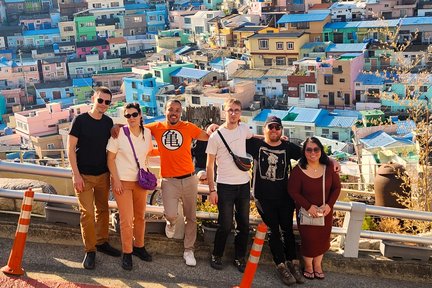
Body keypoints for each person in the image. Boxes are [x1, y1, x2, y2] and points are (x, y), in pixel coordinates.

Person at [145, 99, 210, 267]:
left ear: (181, 112)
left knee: (191, 217)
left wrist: (214, 129)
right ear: (165, 110)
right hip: (169, 181)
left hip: (189, 179)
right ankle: (171, 222)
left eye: (177, 110)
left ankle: (189, 250)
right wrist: (117, 128)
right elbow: (135, 129)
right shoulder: (157, 127)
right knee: (171, 213)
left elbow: (207, 136)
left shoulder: (188, 127)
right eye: (170, 109)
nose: (174, 113)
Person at [246, 116, 304, 285]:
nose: (273, 130)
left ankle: (294, 263)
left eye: (277, 127)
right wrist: (213, 127)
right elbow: (234, 135)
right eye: (270, 127)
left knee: (287, 230)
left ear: (282, 130)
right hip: (263, 198)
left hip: (285, 197)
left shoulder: (287, 147)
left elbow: (309, 153)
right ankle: (280, 265)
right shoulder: (256, 145)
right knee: (274, 231)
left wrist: (330, 161)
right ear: (264, 129)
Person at [68, 87, 121, 270]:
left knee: (103, 210)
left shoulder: (108, 122)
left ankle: (102, 242)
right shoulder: (80, 120)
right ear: (93, 98)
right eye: (101, 100)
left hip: (103, 175)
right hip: (83, 175)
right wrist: (76, 175)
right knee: (87, 213)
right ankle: (90, 251)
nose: (104, 105)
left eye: (107, 102)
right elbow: (70, 149)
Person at [206, 98, 253, 273]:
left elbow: (254, 137)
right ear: (224, 112)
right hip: (225, 185)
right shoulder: (215, 136)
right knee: (225, 225)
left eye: (236, 110)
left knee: (244, 225)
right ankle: (216, 254)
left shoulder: (244, 129)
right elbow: (209, 166)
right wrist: (212, 189)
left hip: (243, 185)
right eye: (230, 110)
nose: (233, 113)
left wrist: (278, 137)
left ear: (240, 113)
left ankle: (239, 258)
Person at [106, 102, 153, 271]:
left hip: (140, 181)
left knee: (140, 216)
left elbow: (146, 155)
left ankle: (139, 246)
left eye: (134, 114)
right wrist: (116, 180)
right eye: (127, 115)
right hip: (122, 181)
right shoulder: (118, 134)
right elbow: (110, 159)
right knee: (126, 220)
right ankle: (127, 252)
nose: (131, 118)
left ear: (140, 115)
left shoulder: (147, 133)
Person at [288, 137, 341, 281]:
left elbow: (337, 188)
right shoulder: (298, 171)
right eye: (309, 149)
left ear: (321, 151)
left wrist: (329, 205)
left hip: (325, 212)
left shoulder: (329, 167)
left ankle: (318, 265)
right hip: (306, 212)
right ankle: (308, 266)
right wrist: (308, 206)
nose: (313, 153)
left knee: (322, 239)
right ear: (304, 152)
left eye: (316, 149)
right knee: (309, 239)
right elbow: (293, 191)